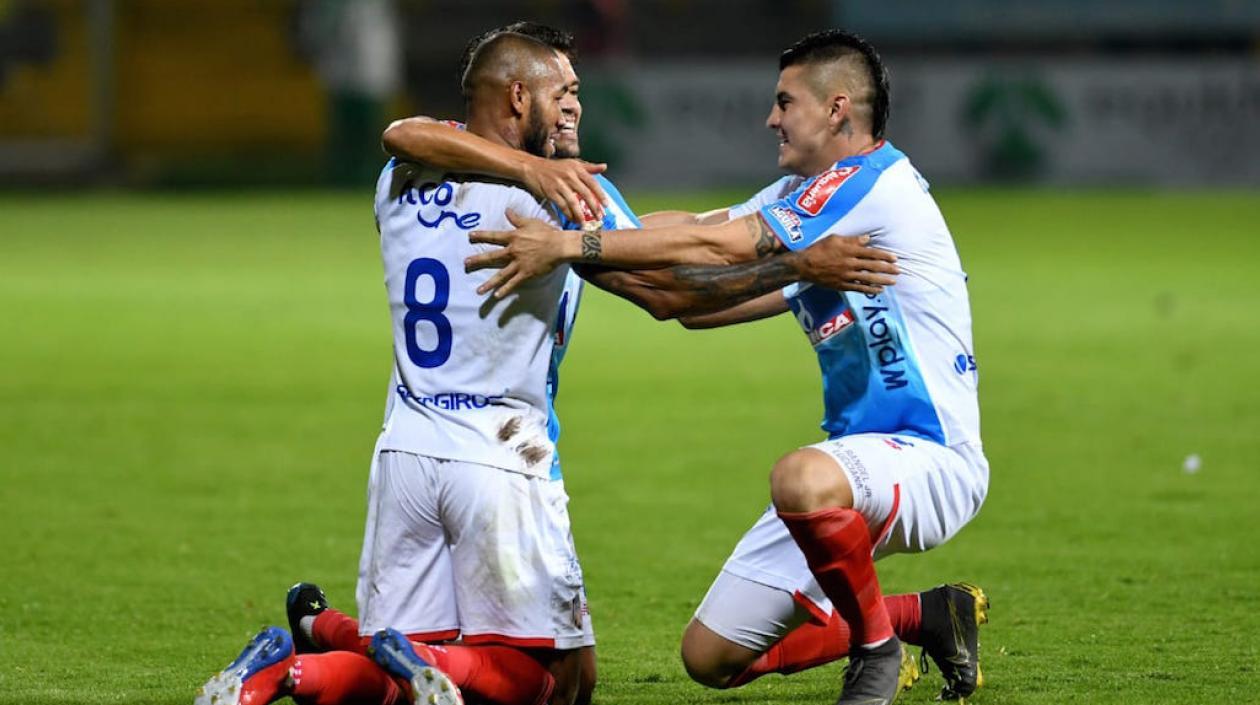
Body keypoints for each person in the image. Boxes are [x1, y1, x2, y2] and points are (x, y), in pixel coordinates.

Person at [468, 29, 990, 705]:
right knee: (711, 655)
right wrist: (562, 195)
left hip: (930, 454)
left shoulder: (873, 184)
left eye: (785, 102)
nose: (771, 118)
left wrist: (566, 241)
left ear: (837, 110)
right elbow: (691, 284)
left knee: (799, 477)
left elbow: (719, 243)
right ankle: (926, 615)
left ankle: (875, 653)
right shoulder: (803, 195)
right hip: (858, 462)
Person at [195, 31, 607, 705]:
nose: (573, 110)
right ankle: (340, 635)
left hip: (406, 450)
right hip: (500, 457)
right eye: (563, 94)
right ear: (518, 96)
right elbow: (673, 270)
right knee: (558, 686)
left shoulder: (398, 183)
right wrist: (787, 259)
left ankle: (285, 665)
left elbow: (407, 135)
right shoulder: (557, 199)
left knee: (409, 682)